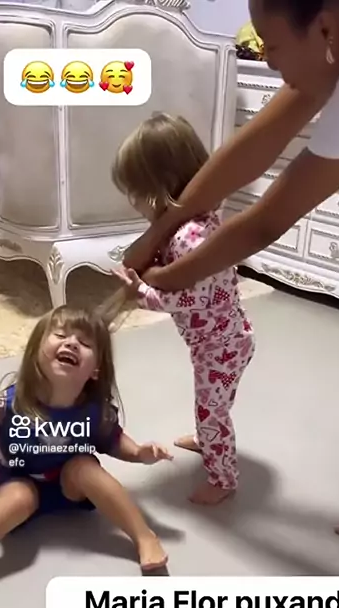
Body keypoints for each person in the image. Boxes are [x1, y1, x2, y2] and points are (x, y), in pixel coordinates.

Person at [123, 0, 339, 551]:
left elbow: (265, 222)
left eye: (272, 44)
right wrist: (159, 231)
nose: (265, 60)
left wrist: (161, 281)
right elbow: (253, 148)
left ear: (326, 26)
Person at [112, 113, 256, 506]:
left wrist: (142, 293)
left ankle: (223, 479)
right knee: (211, 404)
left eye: (137, 193)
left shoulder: (190, 239)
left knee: (213, 411)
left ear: (159, 187)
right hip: (224, 339)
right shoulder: (195, 222)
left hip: (221, 347)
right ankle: (208, 438)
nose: (134, 203)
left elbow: (188, 300)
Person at [0, 305, 172, 572]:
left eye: (85, 343)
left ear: (96, 370)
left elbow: (113, 440)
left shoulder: (94, 412)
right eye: (60, 335)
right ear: (35, 352)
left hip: (70, 485)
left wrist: (139, 453)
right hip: (17, 480)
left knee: (84, 467)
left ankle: (144, 536)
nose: (71, 343)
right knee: (19, 497)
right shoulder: (8, 404)